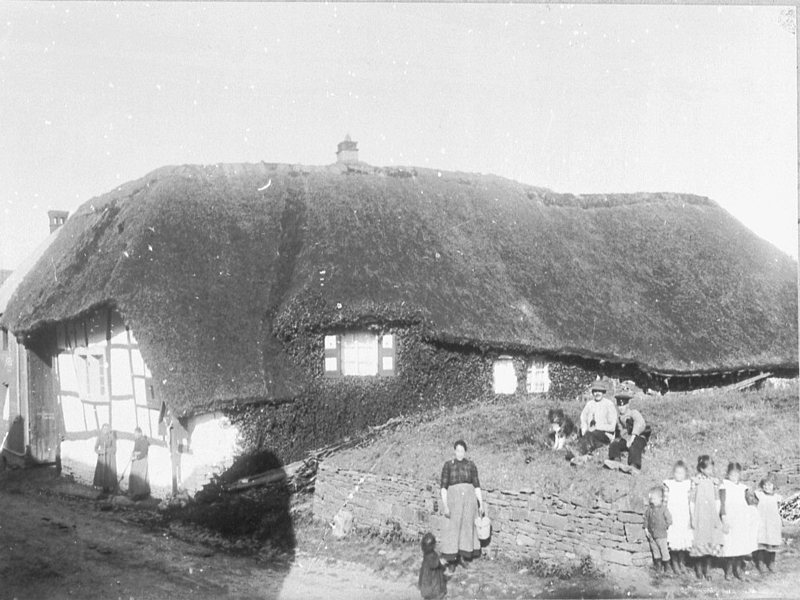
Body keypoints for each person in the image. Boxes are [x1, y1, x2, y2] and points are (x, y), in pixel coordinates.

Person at [440, 439, 484, 571]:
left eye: (462, 451)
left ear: (465, 451)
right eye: (458, 450)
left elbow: (476, 486)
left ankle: (464, 558)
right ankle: (452, 561)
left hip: (469, 502)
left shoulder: (471, 465)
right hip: (454, 502)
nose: (460, 453)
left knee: (466, 528)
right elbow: (443, 487)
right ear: (454, 451)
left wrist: (481, 504)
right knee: (453, 529)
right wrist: (445, 506)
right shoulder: (448, 465)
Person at [719, 462, 759, 580]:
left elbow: (749, 503)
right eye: (732, 475)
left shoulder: (743, 487)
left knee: (740, 544)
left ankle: (738, 569)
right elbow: (722, 503)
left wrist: (752, 512)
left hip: (741, 519)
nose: (734, 477)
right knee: (730, 545)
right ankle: (729, 570)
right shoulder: (724, 485)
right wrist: (723, 516)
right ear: (728, 474)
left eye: (737, 475)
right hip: (730, 518)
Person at [689, 455, 724, 580]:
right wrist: (692, 516)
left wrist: (717, 515)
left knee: (711, 540)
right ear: (702, 469)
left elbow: (717, 499)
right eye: (708, 469)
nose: (711, 472)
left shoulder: (714, 482)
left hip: (711, 515)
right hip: (699, 516)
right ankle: (698, 567)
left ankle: (707, 568)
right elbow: (692, 500)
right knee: (699, 541)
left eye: (712, 469)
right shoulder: (695, 481)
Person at [571, 381, 617, 466]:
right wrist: (584, 427)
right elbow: (583, 417)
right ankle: (582, 456)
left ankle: (579, 455)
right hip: (590, 434)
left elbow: (612, 426)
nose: (597, 393)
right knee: (586, 434)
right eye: (595, 391)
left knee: (591, 435)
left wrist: (597, 427)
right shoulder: (589, 404)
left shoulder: (609, 405)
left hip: (605, 435)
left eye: (599, 391)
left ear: (603, 392)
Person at [603, 389, 649, 475]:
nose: (621, 408)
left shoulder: (633, 413)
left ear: (627, 405)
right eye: (619, 405)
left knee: (635, 444)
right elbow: (620, 430)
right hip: (627, 439)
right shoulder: (619, 418)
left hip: (638, 437)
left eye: (623, 405)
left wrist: (633, 437)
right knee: (614, 444)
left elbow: (640, 423)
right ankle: (615, 460)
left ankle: (634, 466)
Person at [663, 460, 693, 574]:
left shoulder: (687, 485)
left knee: (682, 541)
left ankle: (682, 562)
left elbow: (690, 501)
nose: (679, 475)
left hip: (684, 516)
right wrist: (665, 515)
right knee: (673, 540)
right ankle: (674, 562)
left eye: (681, 473)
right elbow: (665, 502)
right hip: (673, 515)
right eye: (677, 473)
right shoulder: (669, 484)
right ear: (673, 473)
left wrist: (691, 516)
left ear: (685, 474)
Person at [753, 476, 783, 574]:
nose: (767, 487)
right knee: (762, 543)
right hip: (762, 524)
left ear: (774, 486)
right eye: (764, 485)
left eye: (769, 485)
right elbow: (754, 495)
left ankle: (771, 563)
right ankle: (760, 563)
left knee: (772, 543)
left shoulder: (777, 497)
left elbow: (781, 510)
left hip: (773, 524)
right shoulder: (760, 495)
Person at [644, 485, 673, 575]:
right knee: (655, 551)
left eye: (655, 499)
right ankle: (658, 567)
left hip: (661, 535)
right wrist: (646, 528)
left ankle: (667, 567)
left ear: (661, 499)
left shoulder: (663, 509)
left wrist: (665, 526)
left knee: (664, 551)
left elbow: (669, 520)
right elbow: (646, 519)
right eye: (651, 499)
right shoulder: (649, 509)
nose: (652, 501)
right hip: (652, 535)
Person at [418, 532, 448, 599]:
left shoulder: (426, 554)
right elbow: (434, 565)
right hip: (432, 578)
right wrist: (441, 563)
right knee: (434, 588)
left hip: (426, 577)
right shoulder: (432, 555)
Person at [93, 423, 117, 493]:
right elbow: (95, 448)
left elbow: (114, 449)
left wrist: (107, 450)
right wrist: (100, 451)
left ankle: (108, 487)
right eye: (104, 429)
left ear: (109, 430)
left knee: (108, 472)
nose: (105, 430)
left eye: (107, 429)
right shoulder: (100, 437)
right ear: (102, 429)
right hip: (102, 457)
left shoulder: (112, 437)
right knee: (101, 471)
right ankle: (100, 486)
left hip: (109, 458)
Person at [128, 427, 151, 500]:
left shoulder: (143, 441)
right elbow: (135, 449)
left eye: (137, 433)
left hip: (141, 461)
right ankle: (135, 492)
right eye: (135, 434)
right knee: (134, 477)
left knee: (139, 477)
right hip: (136, 461)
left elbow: (143, 453)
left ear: (140, 433)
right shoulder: (137, 440)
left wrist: (136, 457)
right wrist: (132, 455)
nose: (135, 435)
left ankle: (140, 494)